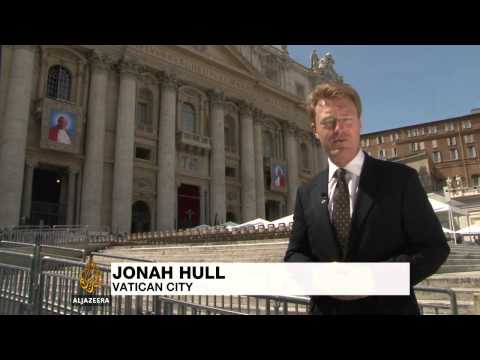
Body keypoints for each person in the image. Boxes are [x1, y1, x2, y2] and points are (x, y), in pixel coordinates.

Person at [284, 82, 450, 315]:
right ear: (315, 130)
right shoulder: (307, 192)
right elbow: (294, 254)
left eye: (347, 119)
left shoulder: (401, 180)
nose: (339, 129)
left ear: (360, 123)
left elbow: (434, 248)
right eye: (328, 122)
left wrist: (377, 278)